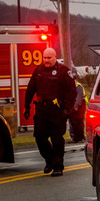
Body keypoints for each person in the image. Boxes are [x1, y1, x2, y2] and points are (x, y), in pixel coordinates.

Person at [23, 48, 76, 177]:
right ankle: (50, 160)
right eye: (44, 58)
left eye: (49, 58)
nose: (46, 60)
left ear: (55, 57)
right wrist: (27, 106)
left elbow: (72, 91)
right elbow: (30, 89)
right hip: (41, 109)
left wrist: (67, 108)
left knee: (57, 138)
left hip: (57, 110)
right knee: (39, 137)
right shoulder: (38, 71)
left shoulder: (63, 71)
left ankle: (57, 166)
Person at [68, 76, 88, 143]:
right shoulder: (73, 86)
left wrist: (76, 105)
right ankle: (77, 137)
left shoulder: (78, 86)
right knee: (75, 122)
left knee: (78, 121)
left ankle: (79, 137)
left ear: (75, 80)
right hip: (77, 105)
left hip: (80, 106)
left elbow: (79, 97)